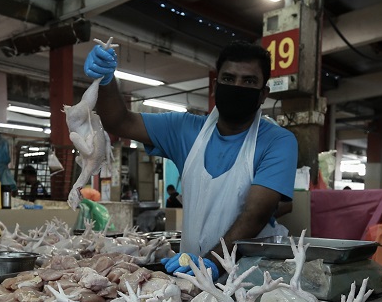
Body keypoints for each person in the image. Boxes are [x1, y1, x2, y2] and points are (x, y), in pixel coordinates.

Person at [85, 39, 298, 278]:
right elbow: (120, 122)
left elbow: (256, 213)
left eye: (249, 81)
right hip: (194, 272)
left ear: (263, 94)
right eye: (229, 79)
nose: (237, 87)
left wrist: (211, 263)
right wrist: (106, 82)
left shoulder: (278, 141)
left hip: (255, 275)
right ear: (215, 86)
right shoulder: (185, 129)